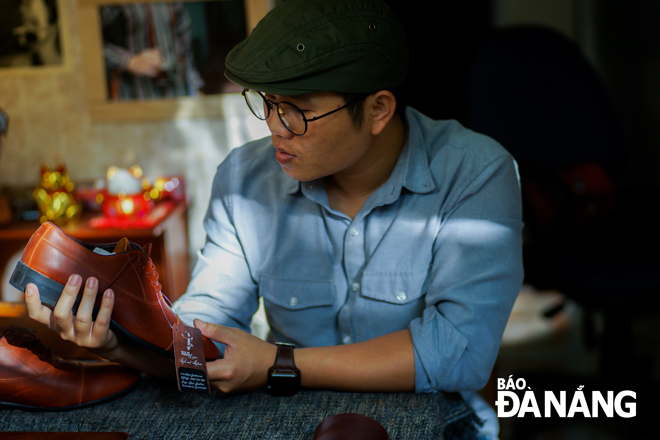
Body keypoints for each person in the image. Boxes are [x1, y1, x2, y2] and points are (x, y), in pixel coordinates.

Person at [24, 0, 523, 438]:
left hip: (437, 418)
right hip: (294, 417)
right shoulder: (244, 177)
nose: (275, 129)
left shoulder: (477, 173)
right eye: (268, 104)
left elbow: (459, 351)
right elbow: (208, 326)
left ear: (377, 109)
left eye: (298, 111)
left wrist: (278, 364)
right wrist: (122, 345)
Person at [100, 3, 204, 100]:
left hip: (178, 91)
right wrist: (129, 60)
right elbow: (90, 44)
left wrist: (195, 87)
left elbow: (185, 47)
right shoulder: (113, 5)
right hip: (137, 94)